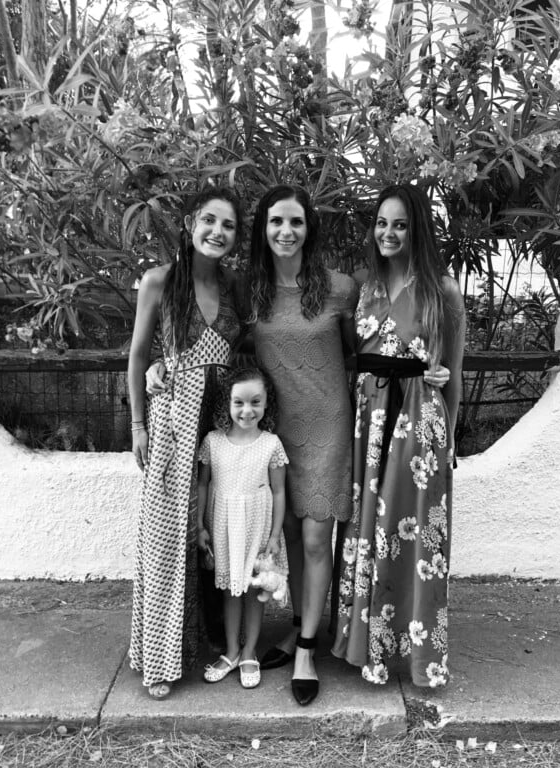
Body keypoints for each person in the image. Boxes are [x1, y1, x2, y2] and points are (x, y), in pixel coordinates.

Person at [331, 183, 465, 689]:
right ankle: (367, 645)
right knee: (370, 532)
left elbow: (453, 372)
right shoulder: (361, 286)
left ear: (418, 230)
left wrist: (449, 441)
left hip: (417, 428)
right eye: (381, 223)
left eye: (400, 224)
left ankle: (414, 652)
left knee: (408, 537)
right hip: (369, 424)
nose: (388, 233)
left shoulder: (443, 292)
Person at [127, 186, 243, 699]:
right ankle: (159, 658)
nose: (218, 232)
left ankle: (210, 642)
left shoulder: (235, 287)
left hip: (223, 426)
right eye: (210, 221)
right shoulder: (159, 282)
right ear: (191, 224)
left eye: (230, 225)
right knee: (168, 541)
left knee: (216, 534)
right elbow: (136, 357)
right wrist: (137, 425)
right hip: (174, 424)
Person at [248, 185, 359, 705]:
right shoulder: (251, 291)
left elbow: (367, 350)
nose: (285, 232)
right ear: (263, 229)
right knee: (290, 534)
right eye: (276, 222)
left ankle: (308, 650)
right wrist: (158, 365)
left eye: (295, 221)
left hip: (329, 425)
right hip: (277, 432)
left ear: (309, 227)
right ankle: (297, 625)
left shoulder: (340, 288)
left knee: (317, 539)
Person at [196, 366, 288, 689]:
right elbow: (203, 485)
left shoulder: (271, 444)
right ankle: (232, 651)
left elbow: (278, 491)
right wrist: (200, 525)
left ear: (266, 404)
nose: (247, 411)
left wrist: (275, 536)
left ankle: (250, 651)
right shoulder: (213, 442)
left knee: (253, 591)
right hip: (224, 528)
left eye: (255, 402)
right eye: (239, 402)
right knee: (230, 591)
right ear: (228, 403)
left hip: (258, 527)